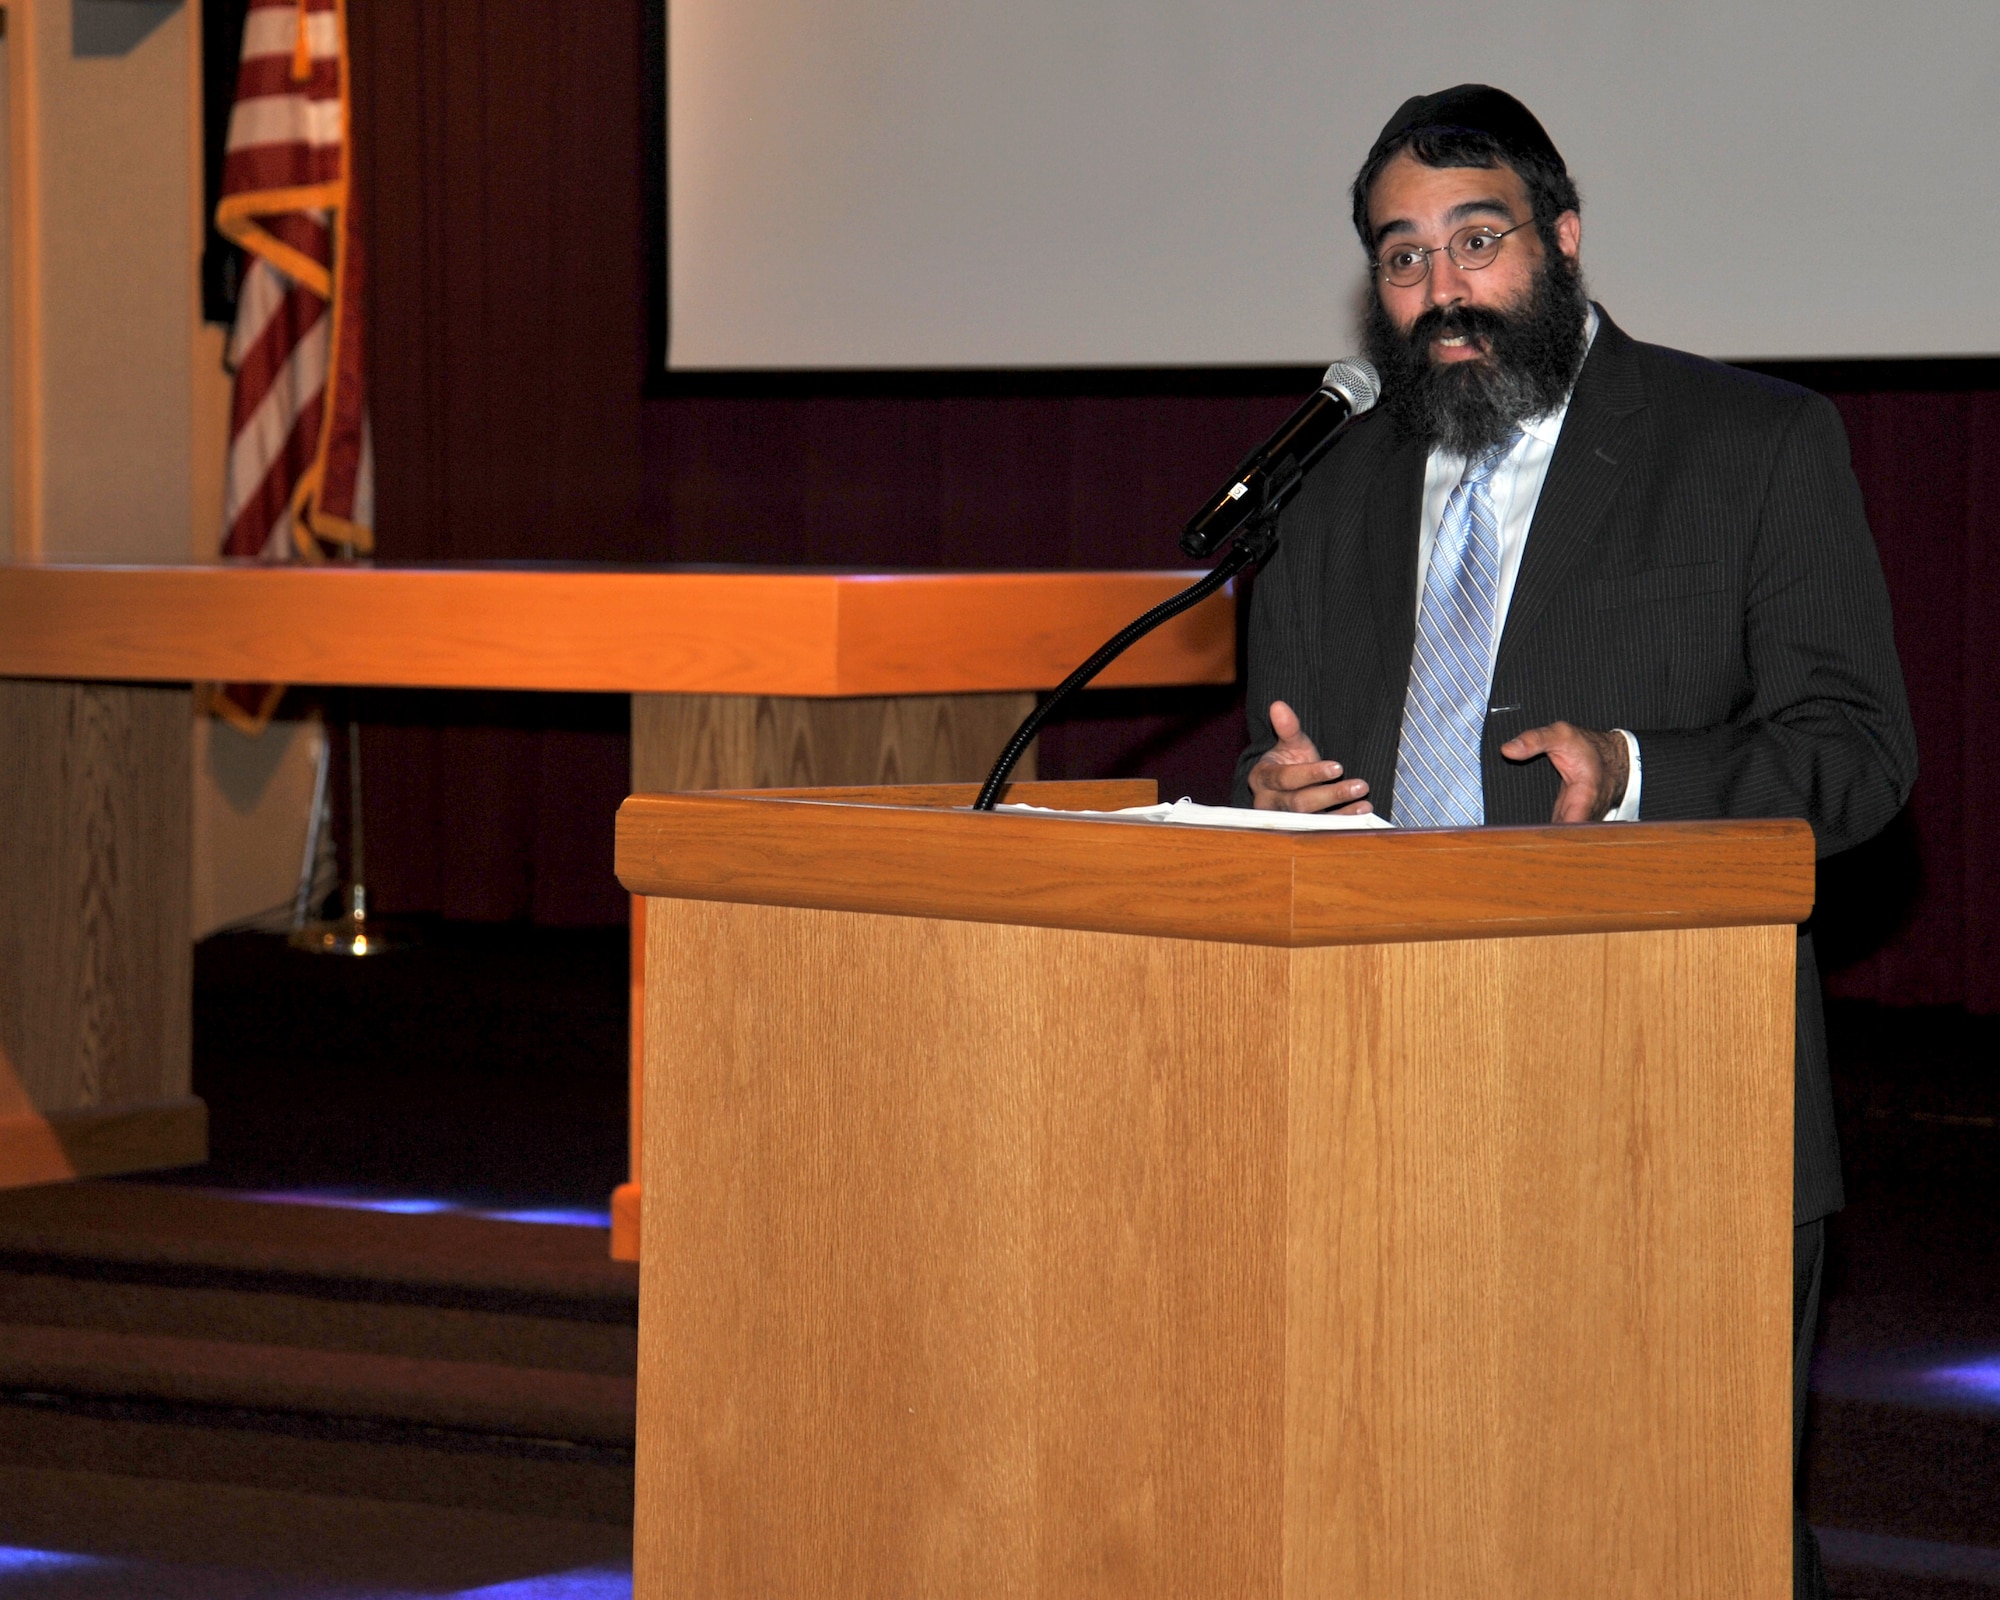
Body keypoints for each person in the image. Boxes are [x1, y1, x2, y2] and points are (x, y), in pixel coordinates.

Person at [1232, 84, 1917, 1598]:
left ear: (1563, 239)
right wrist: (1267, 797)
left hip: (1664, 1101)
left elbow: (1860, 759)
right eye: (1403, 257)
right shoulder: (1325, 485)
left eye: (1478, 241)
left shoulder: (1750, 444)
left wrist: (1633, 772)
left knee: (1682, 1538)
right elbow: (1276, 747)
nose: (1442, 289)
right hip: (1373, 1092)